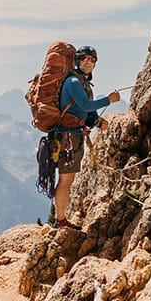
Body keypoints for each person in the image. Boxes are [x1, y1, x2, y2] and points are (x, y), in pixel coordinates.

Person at [50, 45, 120, 231]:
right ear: (77, 61)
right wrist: (108, 100)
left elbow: (86, 111)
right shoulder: (73, 81)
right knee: (66, 179)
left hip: (73, 135)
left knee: (69, 178)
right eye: (85, 59)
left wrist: (97, 122)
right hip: (67, 136)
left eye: (92, 60)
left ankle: (61, 219)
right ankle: (61, 221)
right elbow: (85, 105)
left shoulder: (83, 84)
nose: (89, 62)